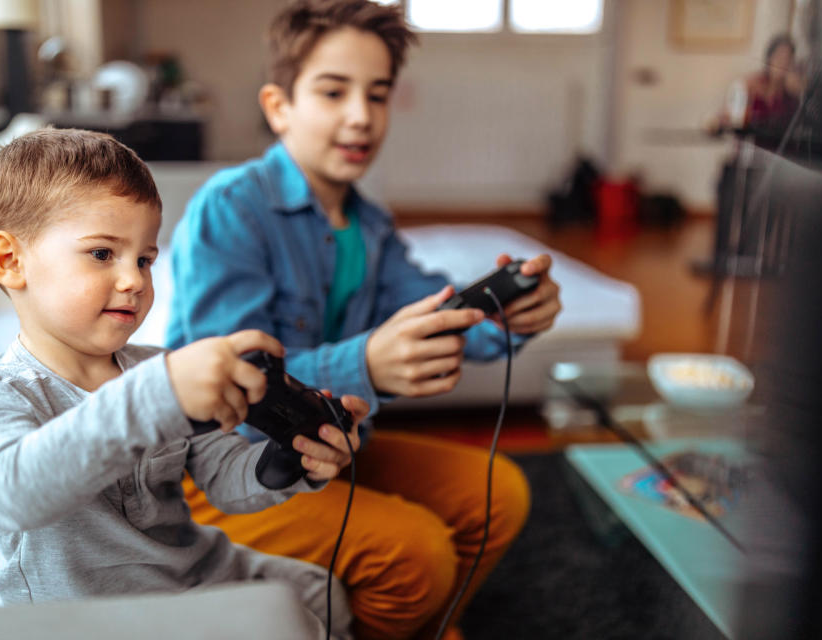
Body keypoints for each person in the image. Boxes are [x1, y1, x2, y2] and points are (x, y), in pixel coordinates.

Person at [165, 2, 561, 638]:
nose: (361, 116)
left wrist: (509, 315)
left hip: (333, 451)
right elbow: (229, 389)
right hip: (226, 475)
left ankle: (427, 625)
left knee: (499, 493)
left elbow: (440, 314)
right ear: (279, 106)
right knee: (418, 553)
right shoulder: (231, 210)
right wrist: (366, 363)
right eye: (333, 91)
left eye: (378, 96)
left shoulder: (370, 224)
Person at [0, 128, 368, 639]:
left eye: (144, 259)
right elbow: (12, 494)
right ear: (11, 261)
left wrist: (286, 461)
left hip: (193, 576)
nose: (135, 280)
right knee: (286, 628)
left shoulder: (156, 368)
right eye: (102, 254)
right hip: (95, 619)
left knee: (321, 592)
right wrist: (159, 395)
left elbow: (225, 477)